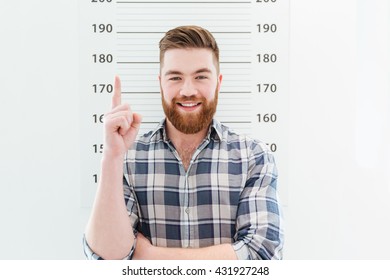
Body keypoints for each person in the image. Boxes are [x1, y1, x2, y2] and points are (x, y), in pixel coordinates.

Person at [83, 25, 284, 260]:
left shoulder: (253, 156)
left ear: (218, 82)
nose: (188, 90)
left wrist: (147, 255)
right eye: (175, 77)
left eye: (200, 76)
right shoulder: (129, 157)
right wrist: (112, 156)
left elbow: (262, 256)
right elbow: (107, 258)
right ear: (160, 83)